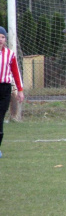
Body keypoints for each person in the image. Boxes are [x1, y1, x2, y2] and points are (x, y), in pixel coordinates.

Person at [0, 26, 24, 158]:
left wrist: (20, 90)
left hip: (5, 89)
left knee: (0, 118)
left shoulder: (10, 54)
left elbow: (15, 72)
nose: (0, 39)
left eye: (3, 37)